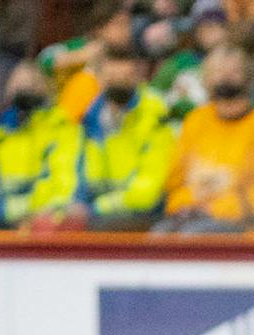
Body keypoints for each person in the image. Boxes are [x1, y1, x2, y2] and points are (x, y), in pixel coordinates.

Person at [159, 43, 254, 231]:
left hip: (243, 226)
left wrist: (217, 208)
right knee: (158, 237)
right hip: (191, 213)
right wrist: (188, 204)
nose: (226, 78)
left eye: (234, 72)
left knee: (193, 237)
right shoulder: (196, 121)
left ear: (247, 78)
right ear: (206, 78)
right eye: (218, 72)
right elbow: (175, 181)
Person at [0, 64, 86, 227]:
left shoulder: (63, 130)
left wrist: (4, 209)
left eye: (32, 83)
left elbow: (63, 190)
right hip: (0, 229)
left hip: (47, 229)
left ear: (47, 87)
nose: (24, 89)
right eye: (17, 84)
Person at [76, 44, 178, 228]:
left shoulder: (156, 116)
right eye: (112, 78)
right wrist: (75, 205)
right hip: (98, 213)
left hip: (145, 216)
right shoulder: (88, 120)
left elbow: (147, 193)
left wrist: (93, 209)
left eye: (126, 77)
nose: (119, 83)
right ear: (99, 79)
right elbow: (78, 179)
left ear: (137, 77)